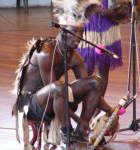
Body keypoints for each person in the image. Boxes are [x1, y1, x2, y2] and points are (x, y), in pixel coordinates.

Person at [12, 0, 118, 149]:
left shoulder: (74, 57)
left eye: (81, 32)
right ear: (62, 31)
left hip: (56, 97)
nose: (78, 37)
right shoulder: (46, 52)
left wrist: (110, 111)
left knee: (95, 82)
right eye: (73, 32)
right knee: (58, 87)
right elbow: (54, 91)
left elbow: (88, 87)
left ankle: (80, 132)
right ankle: (68, 136)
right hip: (31, 103)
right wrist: (76, 118)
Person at [77, 0, 131, 97]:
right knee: (85, 68)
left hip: (109, 24)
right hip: (90, 19)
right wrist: (95, 8)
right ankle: (83, 102)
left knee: (103, 67)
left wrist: (117, 9)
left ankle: (97, 104)